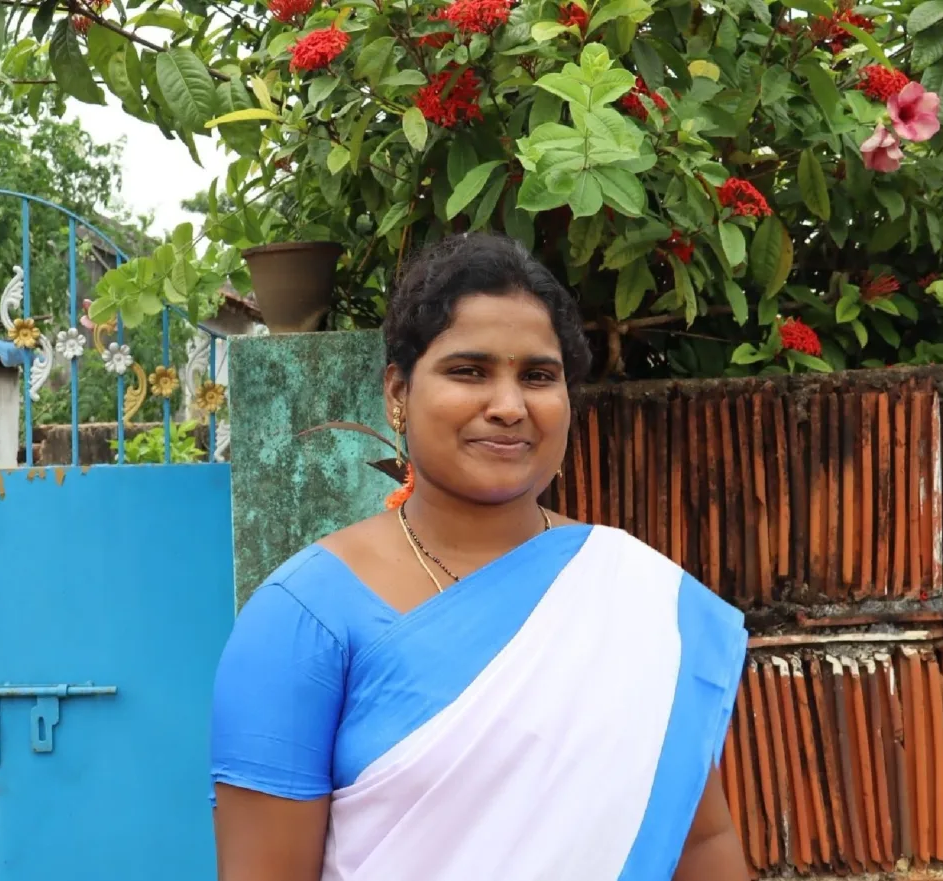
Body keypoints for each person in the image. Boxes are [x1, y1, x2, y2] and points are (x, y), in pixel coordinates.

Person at [209, 232, 750, 881]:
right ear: (398, 393)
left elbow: (701, 842)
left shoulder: (636, 599)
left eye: (538, 376)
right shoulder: (302, 619)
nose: (508, 405)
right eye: (469, 371)